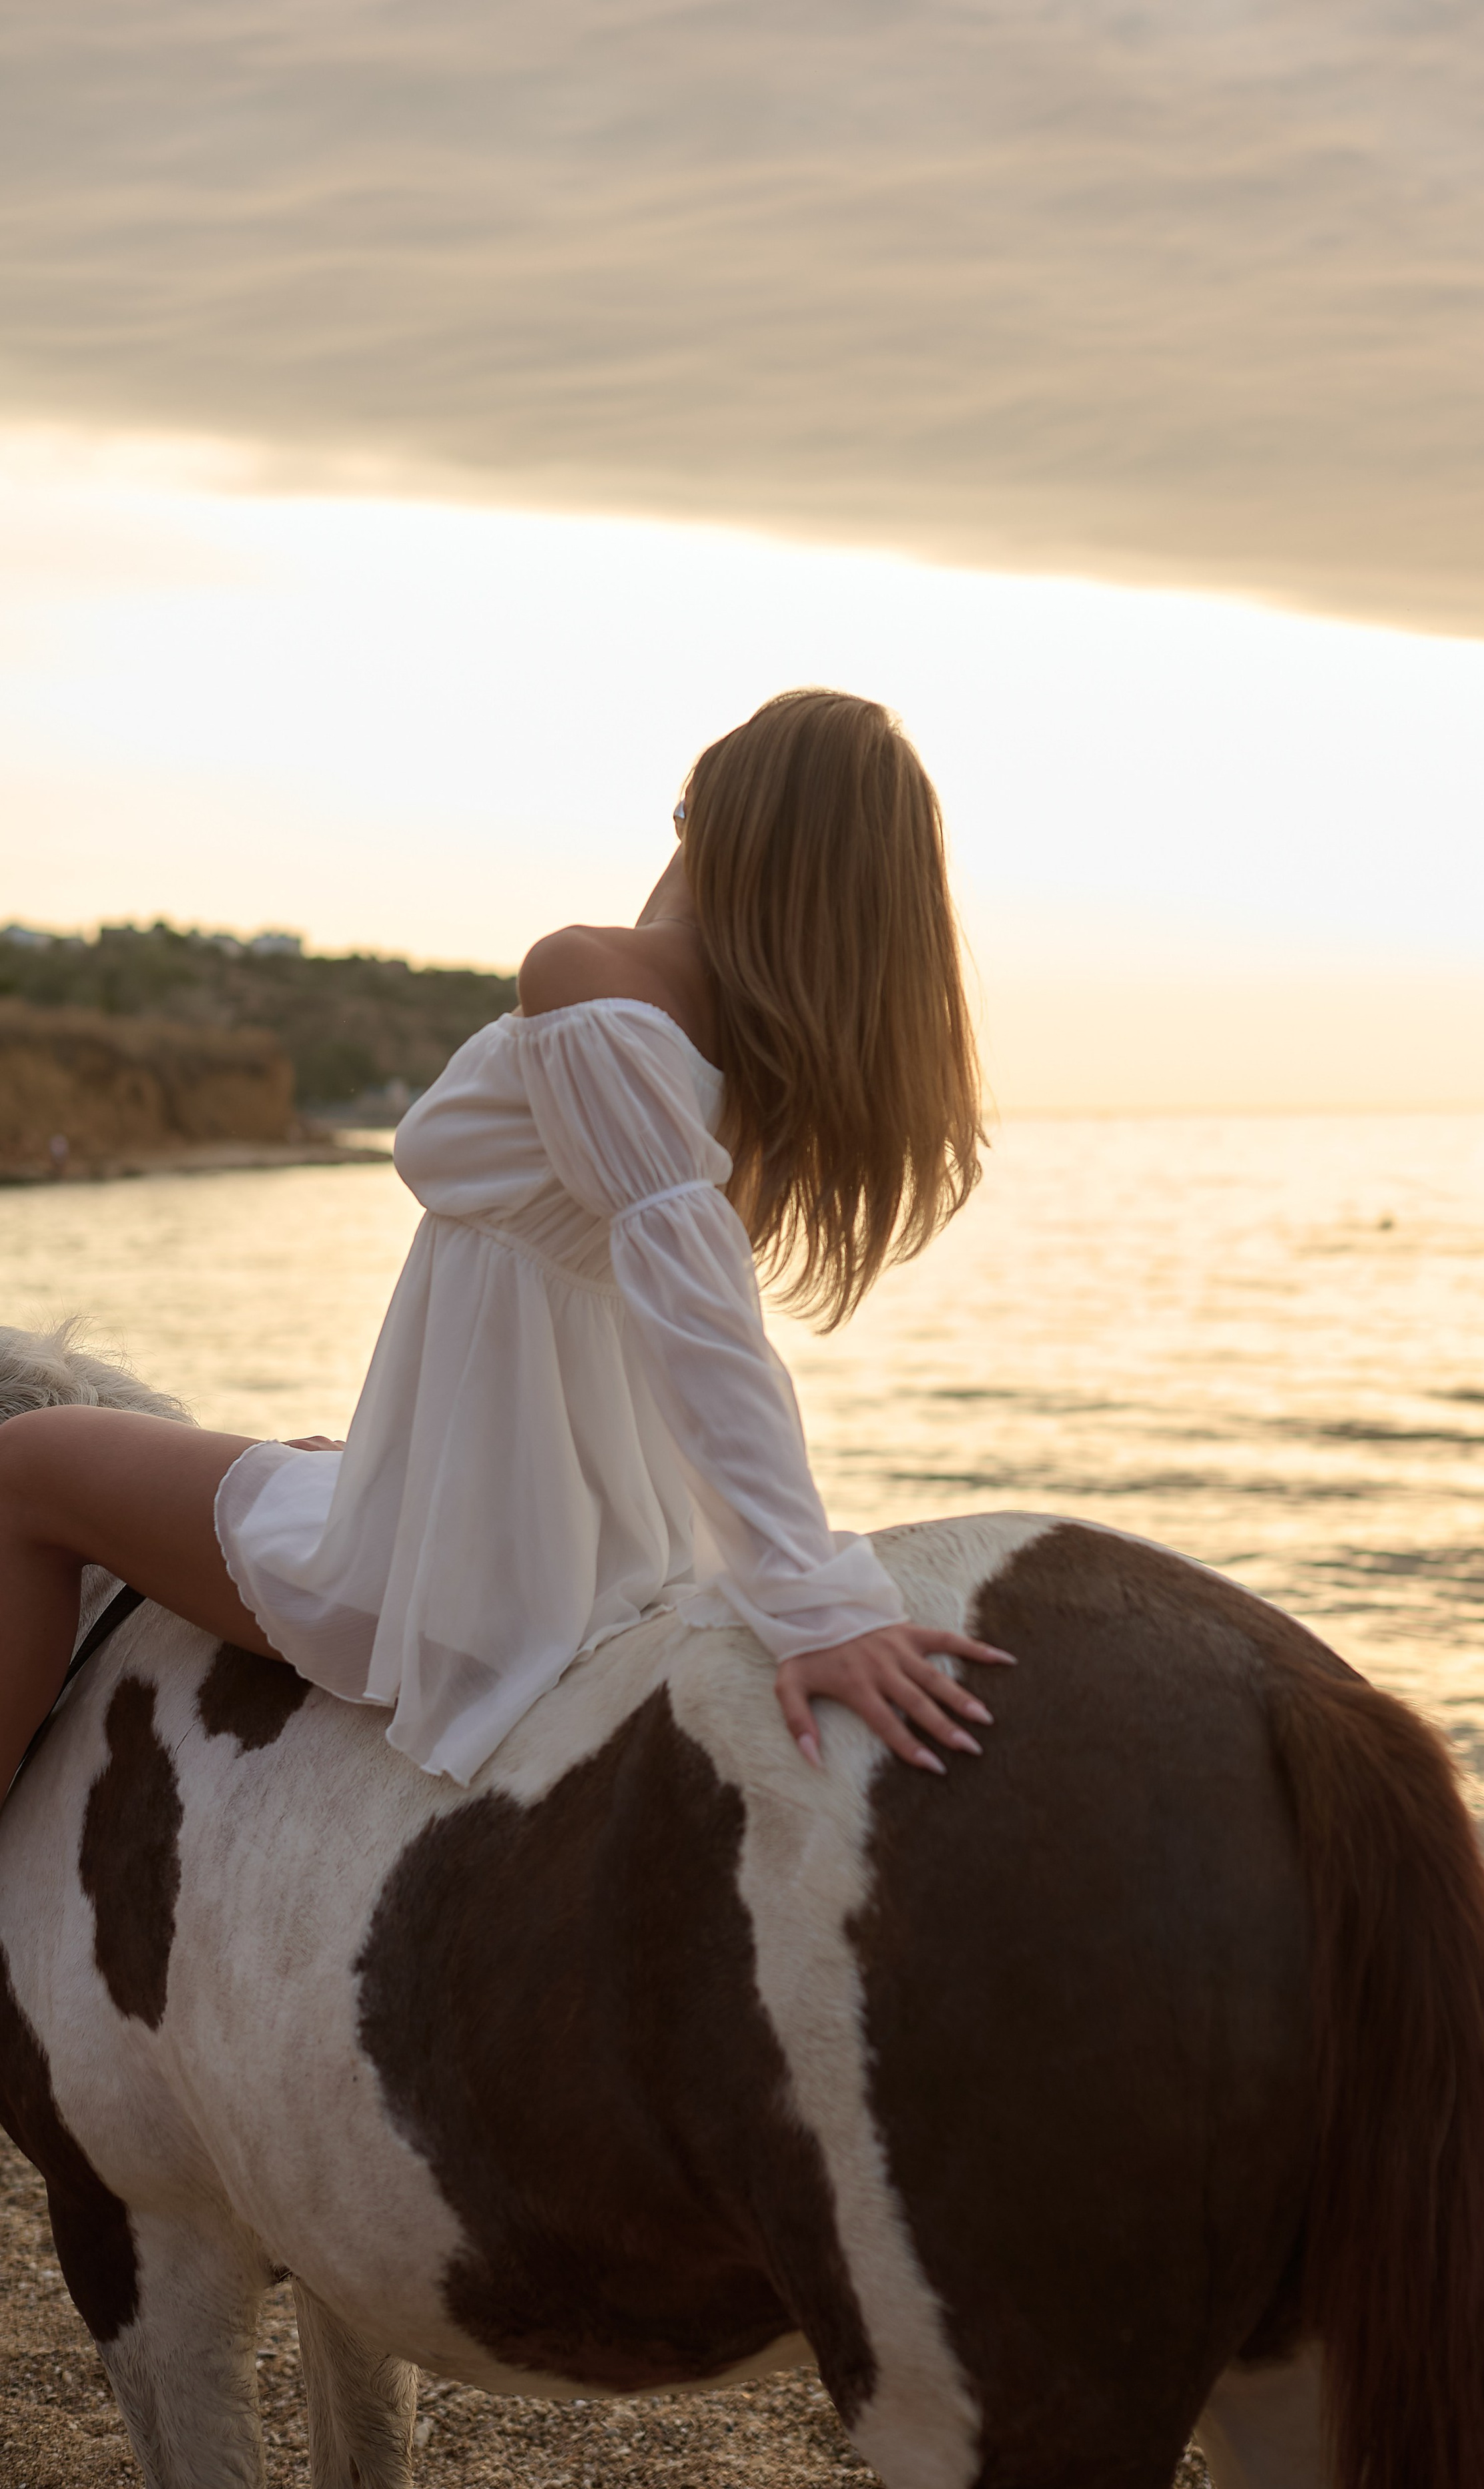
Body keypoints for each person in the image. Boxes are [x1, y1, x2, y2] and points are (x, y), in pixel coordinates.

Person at [0, 690, 1010, 1797]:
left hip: (473, 1579)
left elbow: (693, 1304)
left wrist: (815, 1602)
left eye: (689, 808)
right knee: (295, 1456)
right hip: (601, 1535)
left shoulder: (591, 973)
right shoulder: (764, 1078)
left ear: (716, 821)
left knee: (24, 1469)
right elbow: (655, 1302)